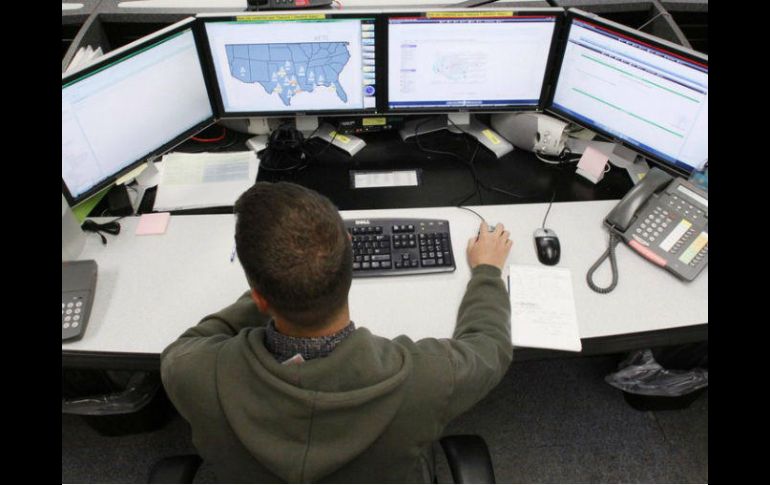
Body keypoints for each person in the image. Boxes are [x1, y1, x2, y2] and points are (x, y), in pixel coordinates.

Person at [161, 181, 513, 483]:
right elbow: (490, 346)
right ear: (350, 252)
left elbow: (194, 341)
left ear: (259, 298)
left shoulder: (191, 372)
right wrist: (487, 272)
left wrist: (275, 285)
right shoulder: (426, 378)